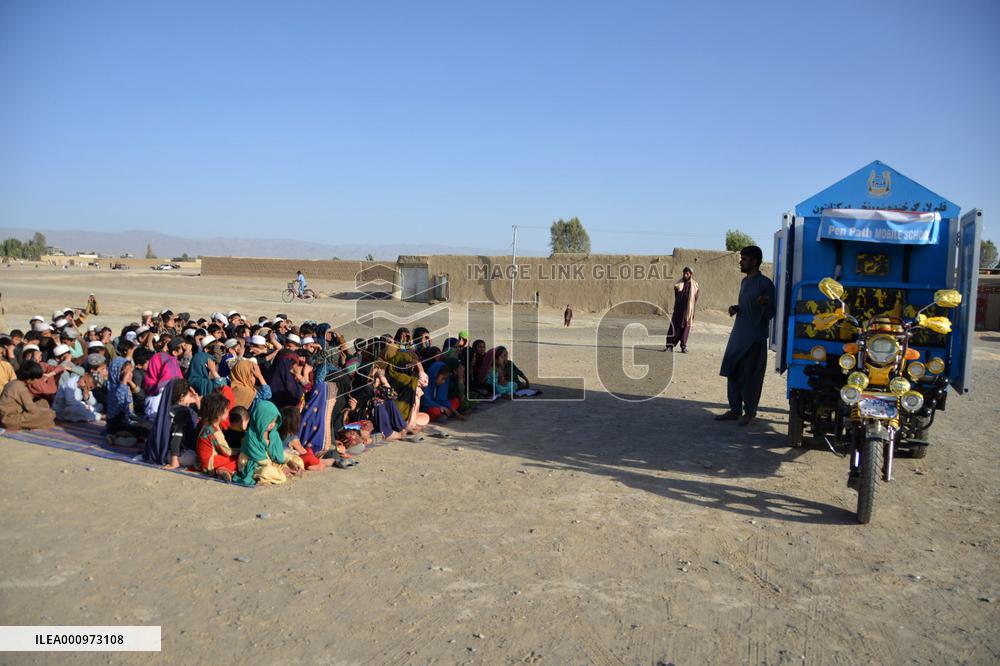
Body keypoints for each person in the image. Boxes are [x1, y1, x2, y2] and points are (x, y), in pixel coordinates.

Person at [718, 246, 775, 426]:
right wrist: (736, 308)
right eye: (741, 258)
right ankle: (735, 410)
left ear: (755, 262)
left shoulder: (765, 284)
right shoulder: (744, 282)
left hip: (754, 338)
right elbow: (747, 305)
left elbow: (771, 313)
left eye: (744, 259)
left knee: (750, 377)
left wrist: (765, 303)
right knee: (732, 372)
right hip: (738, 336)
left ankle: (750, 412)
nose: (740, 262)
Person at [0, 361, 56, 431]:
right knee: (50, 414)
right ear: (29, 378)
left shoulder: (13, 383)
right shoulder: (20, 388)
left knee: (43, 402)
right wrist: (43, 412)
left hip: (9, 415)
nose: (36, 381)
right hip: (10, 420)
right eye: (35, 378)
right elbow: (32, 410)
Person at [196, 391, 238, 481]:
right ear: (218, 413)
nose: (228, 411)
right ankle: (222, 470)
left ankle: (221, 470)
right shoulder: (215, 431)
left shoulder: (205, 424)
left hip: (202, 461)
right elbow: (226, 451)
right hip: (209, 463)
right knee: (236, 458)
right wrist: (239, 450)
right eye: (226, 409)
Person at [666, 267, 700, 353]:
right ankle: (669, 346)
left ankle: (683, 347)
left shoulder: (695, 285)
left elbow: (695, 299)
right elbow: (677, 297)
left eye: (687, 273)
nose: (685, 275)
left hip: (688, 311)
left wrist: (691, 310)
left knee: (685, 329)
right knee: (674, 328)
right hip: (678, 311)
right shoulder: (678, 284)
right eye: (684, 273)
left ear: (691, 275)